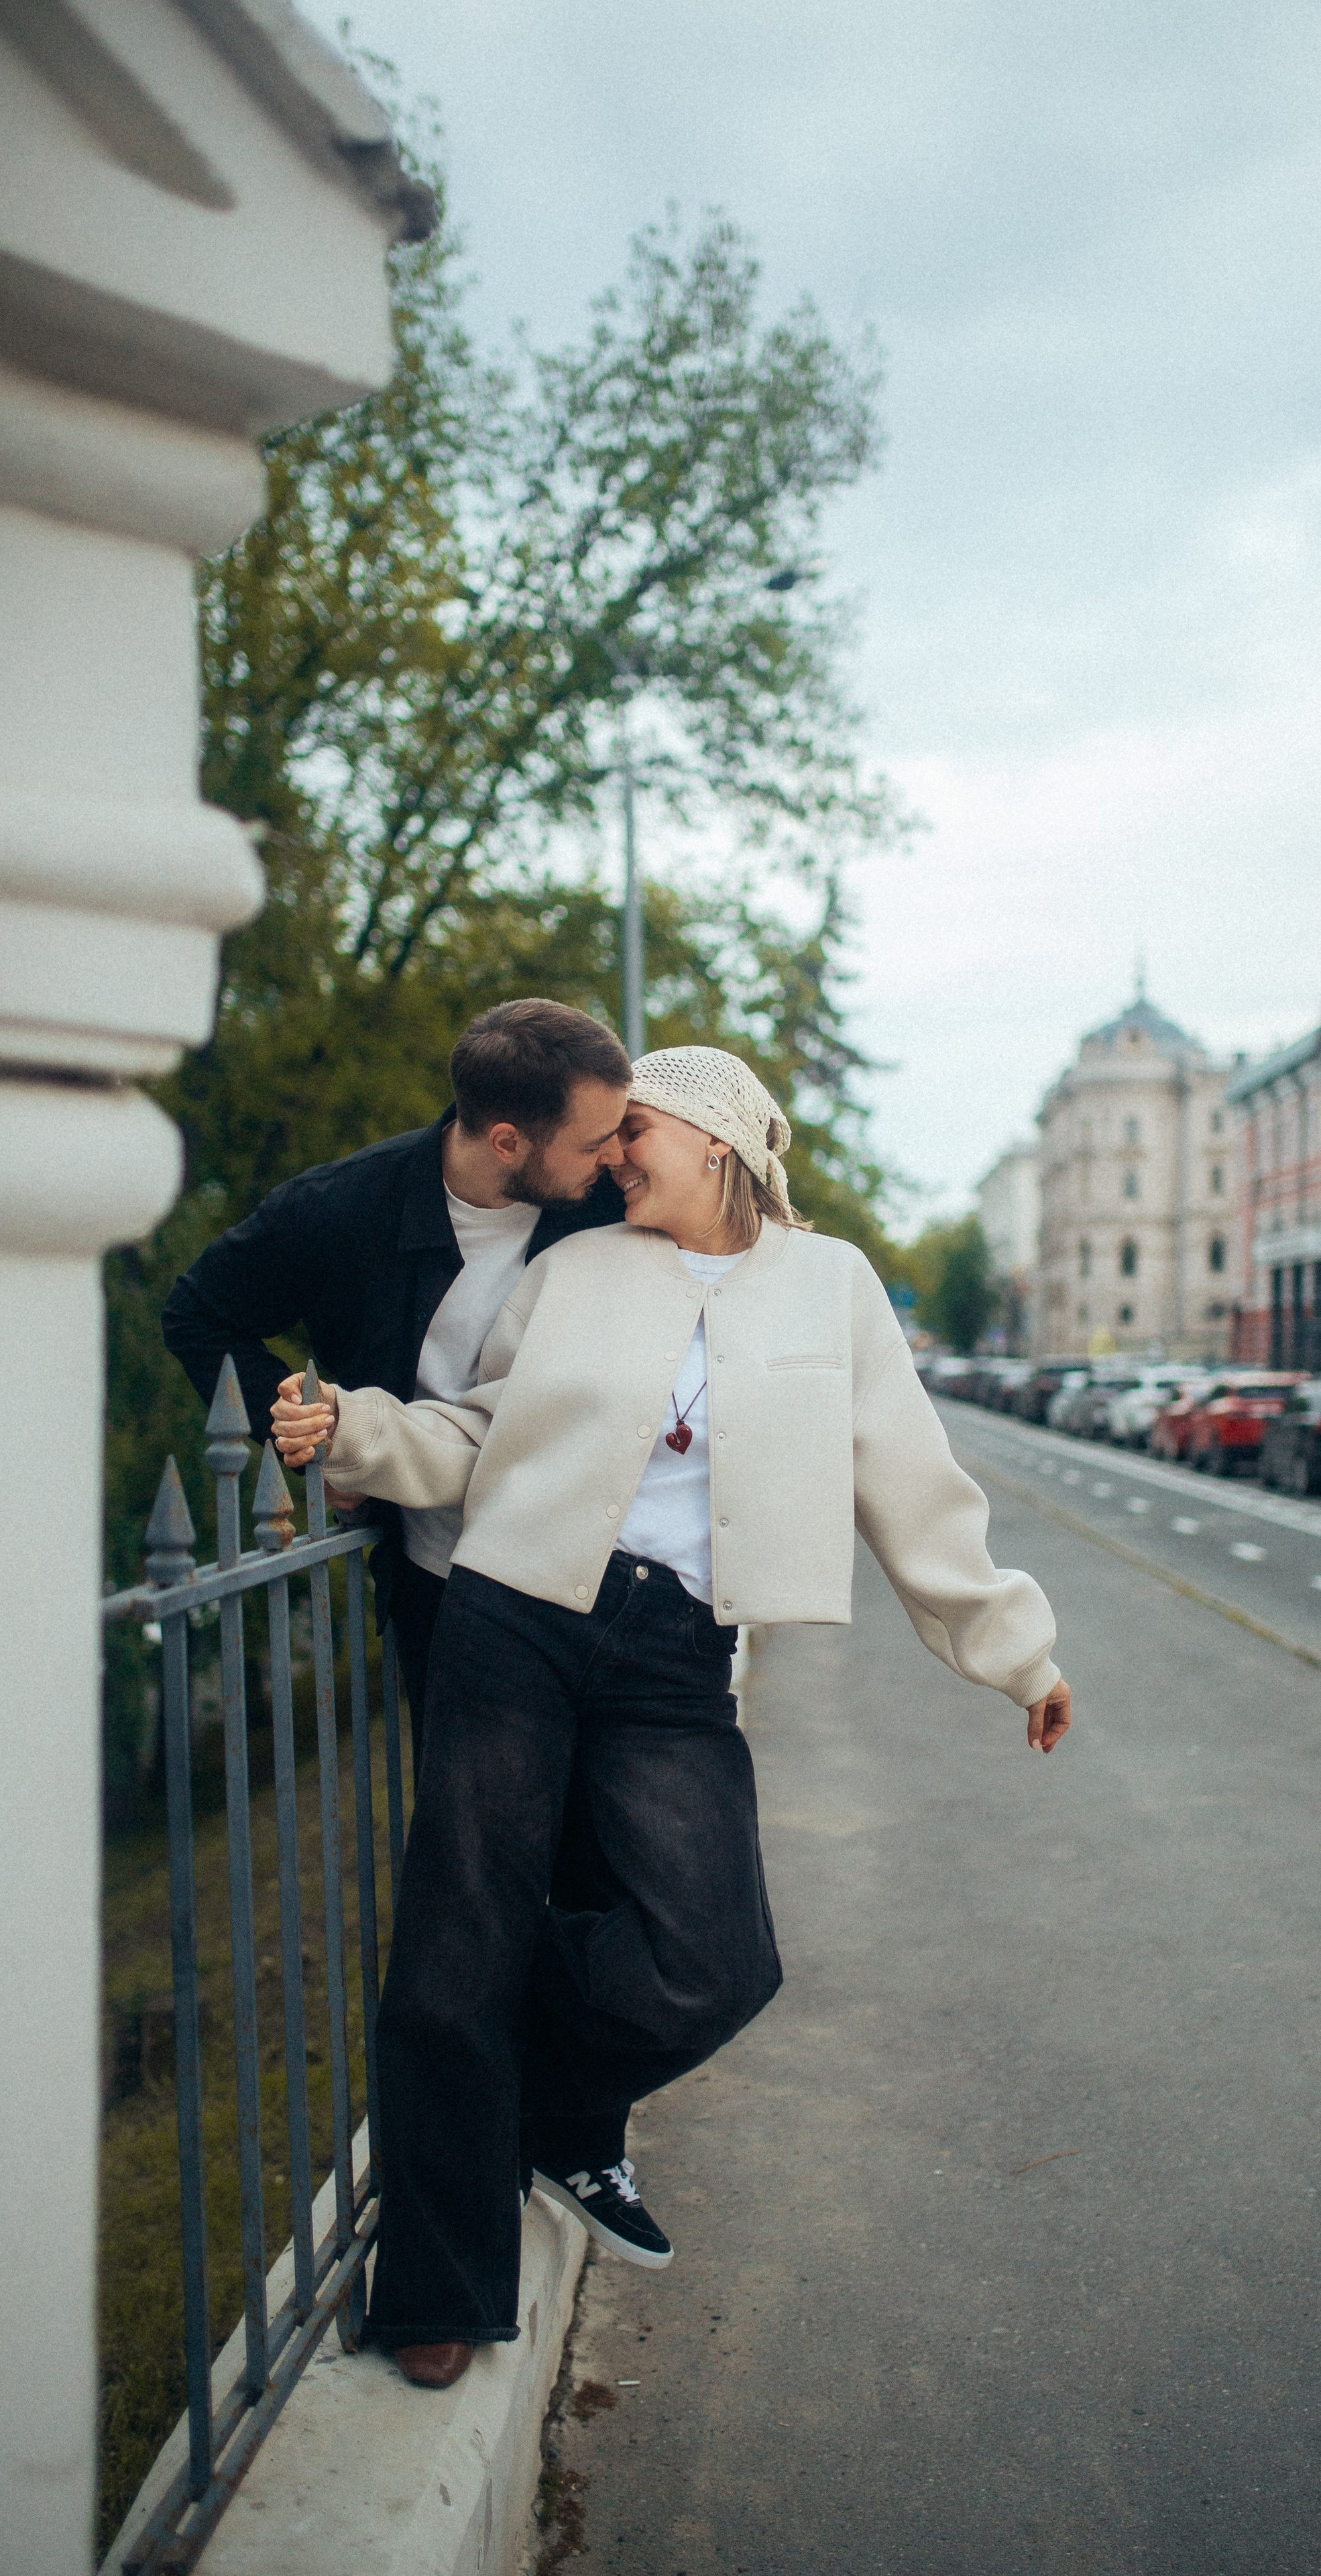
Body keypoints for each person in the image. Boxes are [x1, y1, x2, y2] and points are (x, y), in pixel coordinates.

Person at [272, 1046, 1072, 2392]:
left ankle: (540, 2098)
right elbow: (474, 1437)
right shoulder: (575, 1271)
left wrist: (1014, 1653)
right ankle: (435, 2287)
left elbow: (910, 1481)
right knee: (455, 1938)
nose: (609, 1157)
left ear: (715, 1142)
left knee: (714, 1960)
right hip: (514, 1611)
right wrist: (354, 1430)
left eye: (632, 1130)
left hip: (672, 1652)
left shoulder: (833, 1288)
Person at [162, 999, 632, 1770]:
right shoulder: (341, 1209)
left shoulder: (614, 1200)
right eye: (594, 1140)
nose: (616, 1154)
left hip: (601, 1559)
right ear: (508, 1141)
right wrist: (305, 1436)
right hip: (445, 1578)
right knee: (478, 1842)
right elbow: (197, 1313)